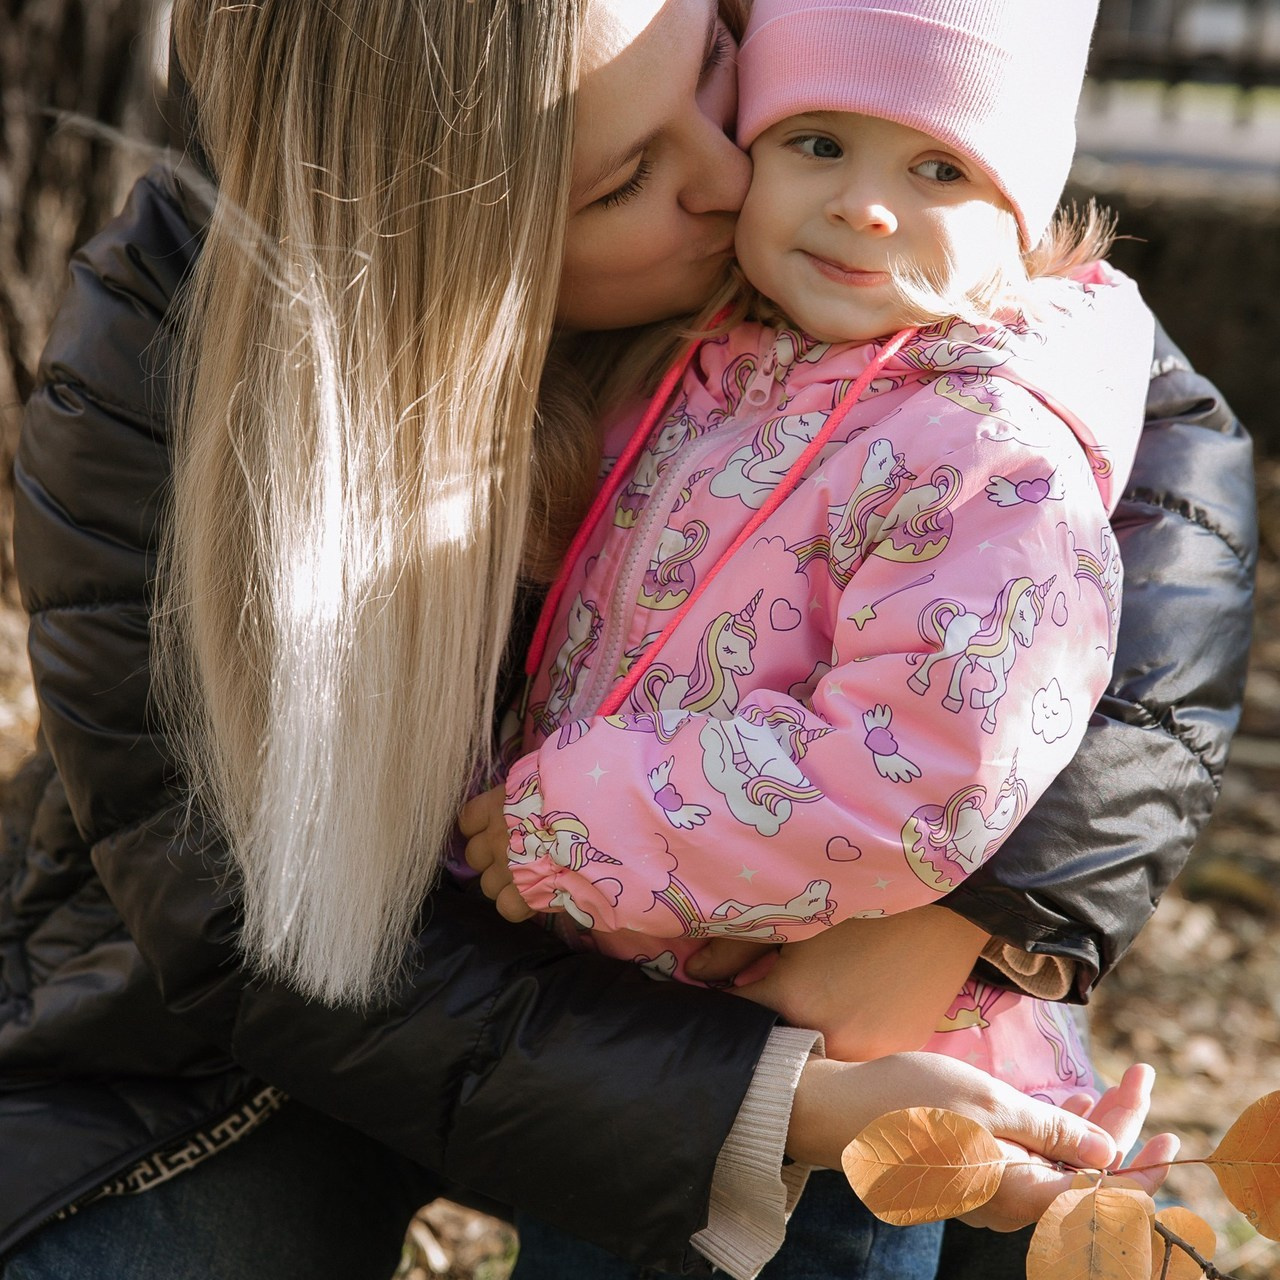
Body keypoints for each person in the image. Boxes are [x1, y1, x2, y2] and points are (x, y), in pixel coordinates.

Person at [0, 1, 1253, 1278]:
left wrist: (966, 919)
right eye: (625, 181)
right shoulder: (157, 360)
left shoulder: (902, 317)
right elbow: (226, 920)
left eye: (715, 70)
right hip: (294, 1035)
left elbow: (1155, 485)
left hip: (728, 1000)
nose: (730, 171)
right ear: (452, 256)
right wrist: (755, 1098)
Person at [458, 2, 1155, 1273]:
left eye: (937, 168)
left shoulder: (987, 455)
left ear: (1025, 215)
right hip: (659, 1027)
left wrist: (579, 824)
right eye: (817, 141)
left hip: (851, 1105)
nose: (865, 204)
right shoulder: (723, 364)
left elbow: (917, 767)